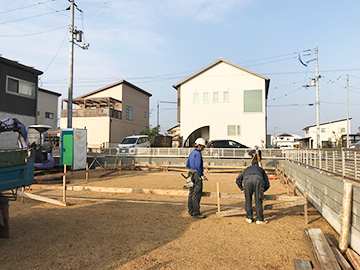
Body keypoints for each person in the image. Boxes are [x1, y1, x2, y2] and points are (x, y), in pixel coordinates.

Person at [186, 137, 208, 219]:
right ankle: (196, 212)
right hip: (196, 175)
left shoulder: (191, 153)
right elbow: (198, 166)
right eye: (203, 146)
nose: (203, 148)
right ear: (199, 145)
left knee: (191, 193)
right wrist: (202, 175)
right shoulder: (198, 153)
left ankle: (190, 210)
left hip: (190, 174)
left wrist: (192, 170)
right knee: (196, 194)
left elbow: (187, 164)